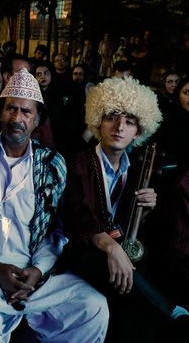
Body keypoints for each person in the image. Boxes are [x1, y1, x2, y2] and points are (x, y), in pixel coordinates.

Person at [0, 69, 109, 342]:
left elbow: (58, 231)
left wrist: (37, 270)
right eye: (11, 109)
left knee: (93, 307)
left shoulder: (51, 164)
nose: (17, 118)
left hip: (36, 272)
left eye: (26, 112)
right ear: (0, 113)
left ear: (37, 120)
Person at [59, 76, 189, 340]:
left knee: (133, 314)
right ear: (98, 121)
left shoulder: (138, 169)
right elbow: (79, 219)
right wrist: (111, 247)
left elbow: (133, 228)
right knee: (111, 269)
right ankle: (175, 314)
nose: (119, 127)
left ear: (138, 132)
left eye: (129, 122)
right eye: (112, 118)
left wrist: (149, 208)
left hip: (119, 251)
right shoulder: (78, 162)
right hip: (81, 251)